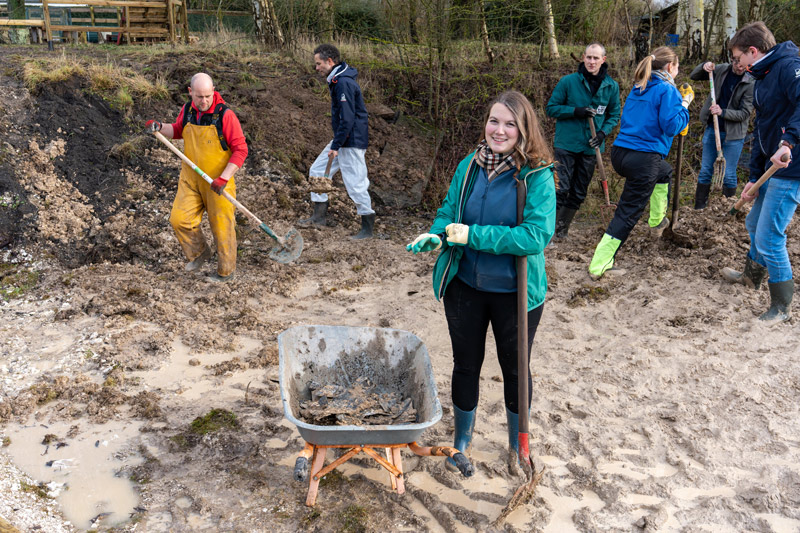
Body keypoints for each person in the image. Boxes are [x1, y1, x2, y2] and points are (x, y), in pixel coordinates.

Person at [405, 91, 556, 471]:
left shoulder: (537, 175)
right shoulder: (468, 166)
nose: (499, 130)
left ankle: (517, 445)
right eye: (494, 121)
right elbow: (449, 211)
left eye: (509, 124)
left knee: (515, 370)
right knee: (465, 364)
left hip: (515, 293)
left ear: (524, 130)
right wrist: (437, 235)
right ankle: (462, 438)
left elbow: (534, 236)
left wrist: (473, 235)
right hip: (465, 287)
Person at [588, 47, 693, 280]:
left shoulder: (640, 86)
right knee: (627, 214)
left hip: (620, 155)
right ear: (669, 67)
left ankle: (657, 221)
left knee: (664, 172)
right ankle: (599, 264)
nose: (677, 70)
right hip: (644, 159)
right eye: (677, 66)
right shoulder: (668, 90)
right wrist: (685, 105)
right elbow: (671, 126)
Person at [720, 22, 799, 323]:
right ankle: (751, 276)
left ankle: (781, 306)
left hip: (791, 167)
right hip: (770, 166)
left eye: (738, 58)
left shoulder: (789, 67)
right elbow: (762, 128)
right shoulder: (763, 75)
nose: (736, 65)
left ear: (753, 52)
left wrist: (789, 141)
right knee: (754, 222)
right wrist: (754, 175)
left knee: (769, 237)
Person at [146, 73, 248, 283]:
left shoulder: (225, 116)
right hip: (191, 179)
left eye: (208, 96)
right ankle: (200, 253)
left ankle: (226, 272)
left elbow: (241, 149)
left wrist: (225, 177)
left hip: (218, 181)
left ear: (213, 92)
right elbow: (177, 130)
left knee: (222, 226)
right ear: (190, 92)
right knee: (179, 219)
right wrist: (159, 127)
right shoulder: (188, 110)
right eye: (199, 96)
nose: (204, 101)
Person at [299, 43, 376, 240]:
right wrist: (336, 143)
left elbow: (348, 119)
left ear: (330, 61)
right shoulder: (337, 80)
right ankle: (319, 216)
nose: (316, 68)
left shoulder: (343, 83)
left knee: (356, 184)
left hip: (352, 141)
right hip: (343, 139)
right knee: (317, 171)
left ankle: (367, 228)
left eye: (318, 64)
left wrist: (336, 146)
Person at [546, 42, 621, 240]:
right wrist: (575, 111)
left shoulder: (611, 86)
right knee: (561, 189)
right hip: (567, 144)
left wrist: (603, 133)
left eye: (596, 58)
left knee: (579, 192)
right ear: (583, 58)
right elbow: (551, 108)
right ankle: (547, 232)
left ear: (603, 60)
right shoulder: (568, 82)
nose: (591, 61)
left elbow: (614, 114)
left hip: (591, 147)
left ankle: (561, 231)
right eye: (588, 57)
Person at [689, 57, 754, 206]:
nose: (740, 67)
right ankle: (699, 208)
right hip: (713, 129)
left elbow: (744, 113)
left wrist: (722, 112)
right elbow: (694, 76)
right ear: (732, 60)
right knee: (705, 171)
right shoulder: (721, 70)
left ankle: (728, 208)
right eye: (737, 63)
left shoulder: (750, 82)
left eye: (744, 65)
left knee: (729, 175)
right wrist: (703, 66)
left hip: (734, 135)